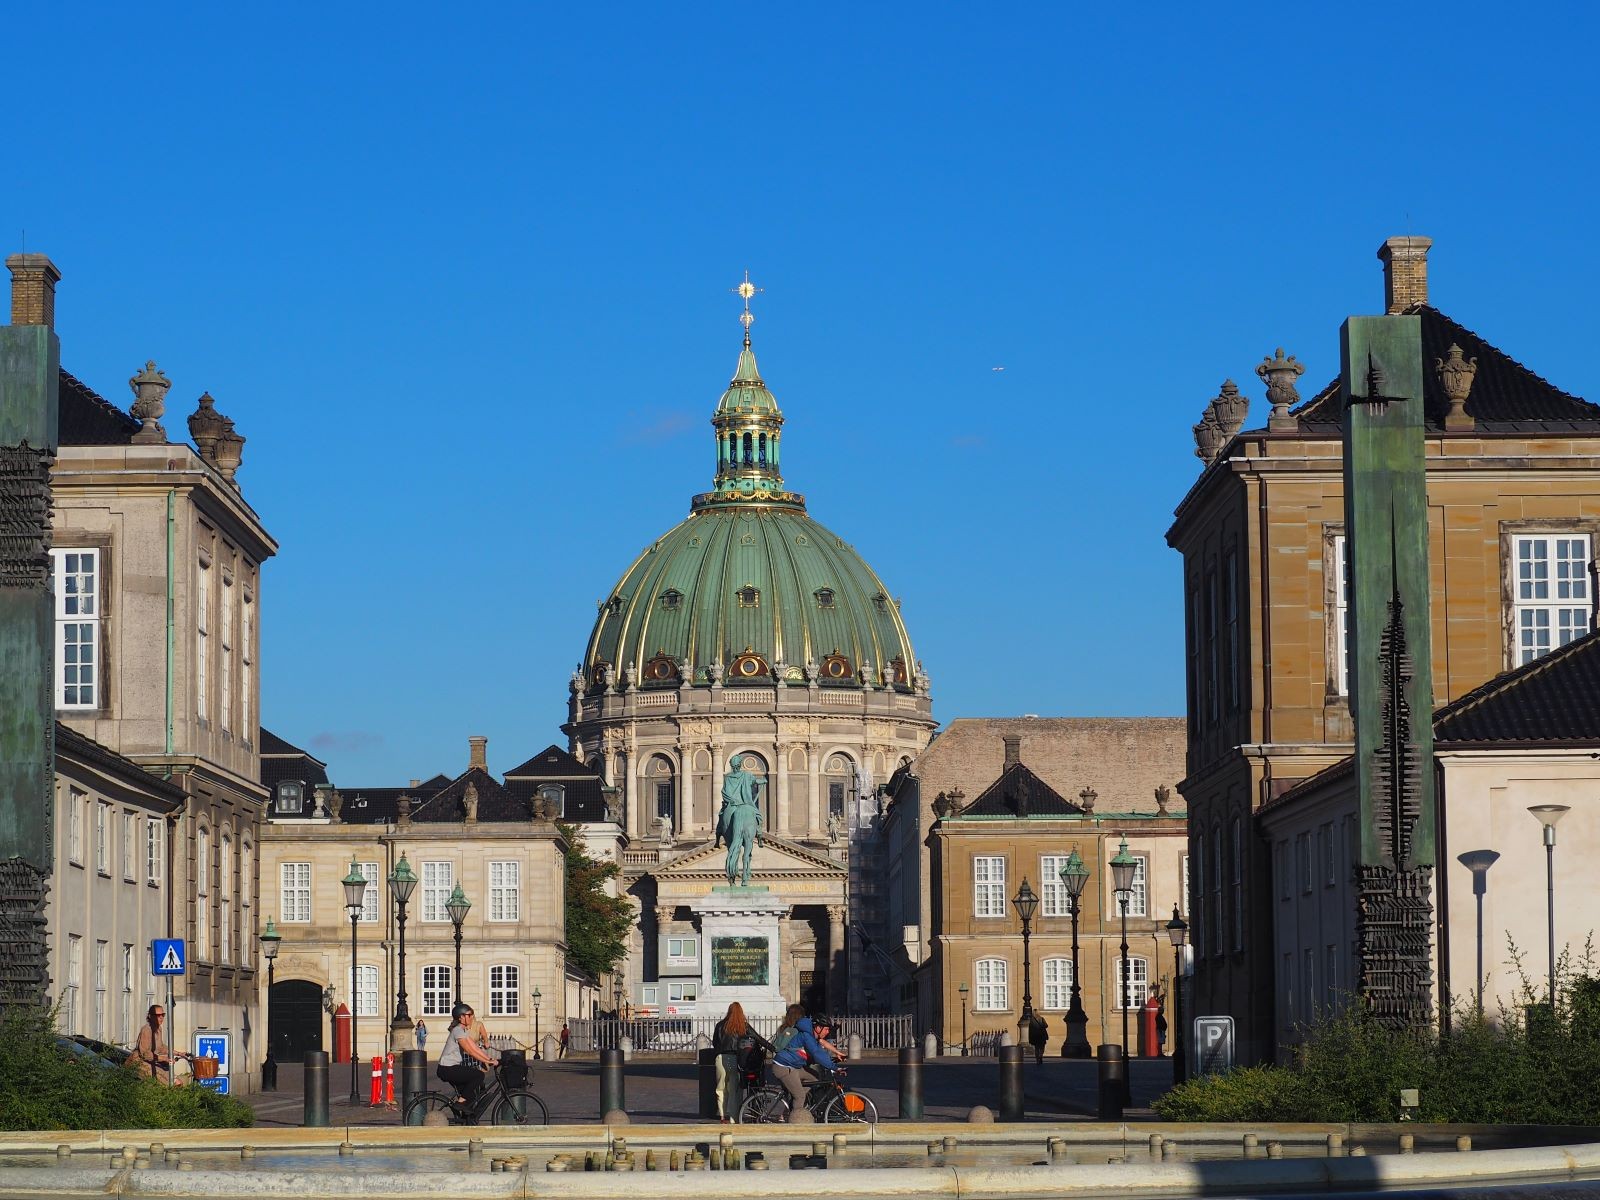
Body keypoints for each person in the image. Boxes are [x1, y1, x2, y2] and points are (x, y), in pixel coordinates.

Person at [770, 1006, 836, 1122]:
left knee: (813, 1078)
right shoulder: (798, 1031)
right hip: (785, 1066)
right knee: (799, 1095)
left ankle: (789, 1112)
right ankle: (796, 1121)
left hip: (792, 1065)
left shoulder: (785, 1029)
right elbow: (813, 1050)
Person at [436, 1001, 499, 1110]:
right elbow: (470, 1051)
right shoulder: (457, 1031)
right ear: (461, 1017)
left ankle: (466, 1120)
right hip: (447, 1068)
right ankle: (459, 1103)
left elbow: (474, 1047)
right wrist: (488, 1061)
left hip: (451, 1067)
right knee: (478, 1075)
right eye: (469, 1015)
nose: (471, 1018)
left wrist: (488, 1059)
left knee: (470, 1096)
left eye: (472, 1015)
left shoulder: (462, 1031)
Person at [712, 1002, 754, 1123]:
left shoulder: (720, 1025)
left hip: (721, 1057)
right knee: (735, 1090)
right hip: (736, 1058)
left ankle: (722, 1116)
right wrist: (772, 1048)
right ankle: (733, 1118)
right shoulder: (743, 1026)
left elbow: (715, 1043)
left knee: (721, 1088)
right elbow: (757, 1038)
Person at [133, 1005, 185, 1082]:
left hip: (152, 1061)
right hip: (140, 1063)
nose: (161, 1017)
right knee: (169, 1082)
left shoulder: (158, 1028)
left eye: (163, 1015)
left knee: (176, 1080)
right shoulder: (146, 1030)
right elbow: (145, 1054)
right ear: (150, 1016)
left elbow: (161, 1047)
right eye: (158, 1015)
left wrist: (179, 1053)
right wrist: (164, 1059)